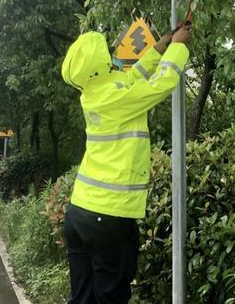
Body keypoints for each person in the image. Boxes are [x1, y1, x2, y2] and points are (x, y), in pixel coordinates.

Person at [61, 23, 193, 304]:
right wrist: (180, 47)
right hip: (108, 218)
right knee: (111, 298)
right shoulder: (114, 97)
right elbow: (160, 85)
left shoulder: (95, 91)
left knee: (82, 299)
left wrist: (161, 46)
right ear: (100, 63)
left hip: (80, 214)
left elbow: (134, 77)